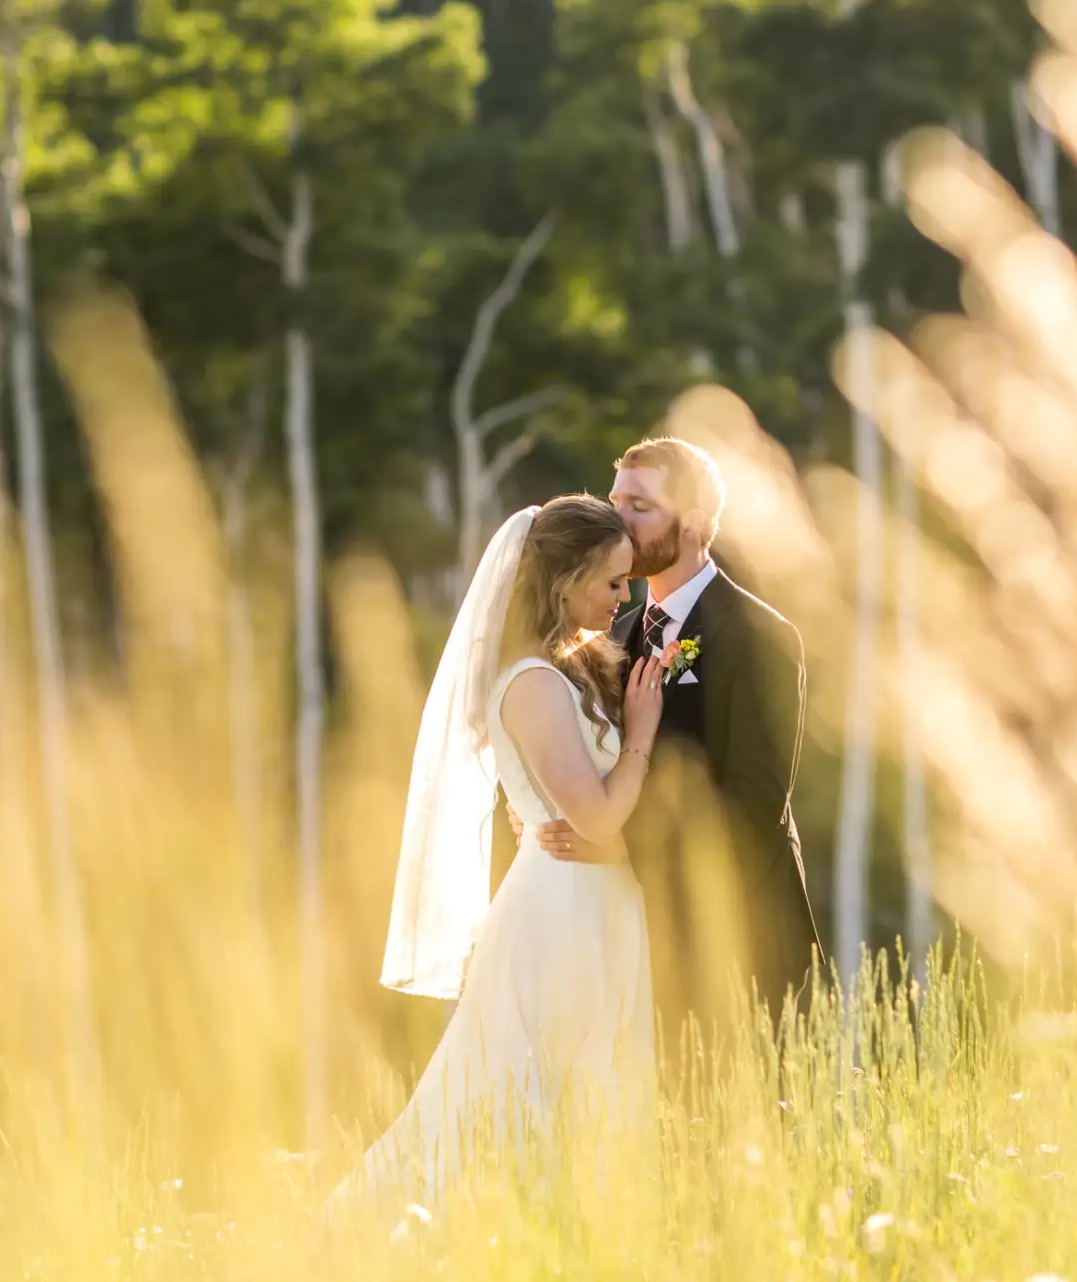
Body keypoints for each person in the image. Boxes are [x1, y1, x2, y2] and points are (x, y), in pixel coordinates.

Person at [337, 496, 666, 1204]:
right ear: (565, 579)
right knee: (529, 1085)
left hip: (593, 897)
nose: (622, 597)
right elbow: (601, 817)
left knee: (578, 1083)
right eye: (611, 581)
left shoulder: (566, 671)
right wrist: (640, 729)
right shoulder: (532, 683)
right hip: (560, 910)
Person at [523, 438, 822, 1051]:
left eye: (640, 507)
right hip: (635, 935)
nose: (617, 521)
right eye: (615, 501)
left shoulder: (760, 634)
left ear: (693, 524)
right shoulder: (613, 632)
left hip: (741, 930)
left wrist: (619, 846)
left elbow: (754, 800)